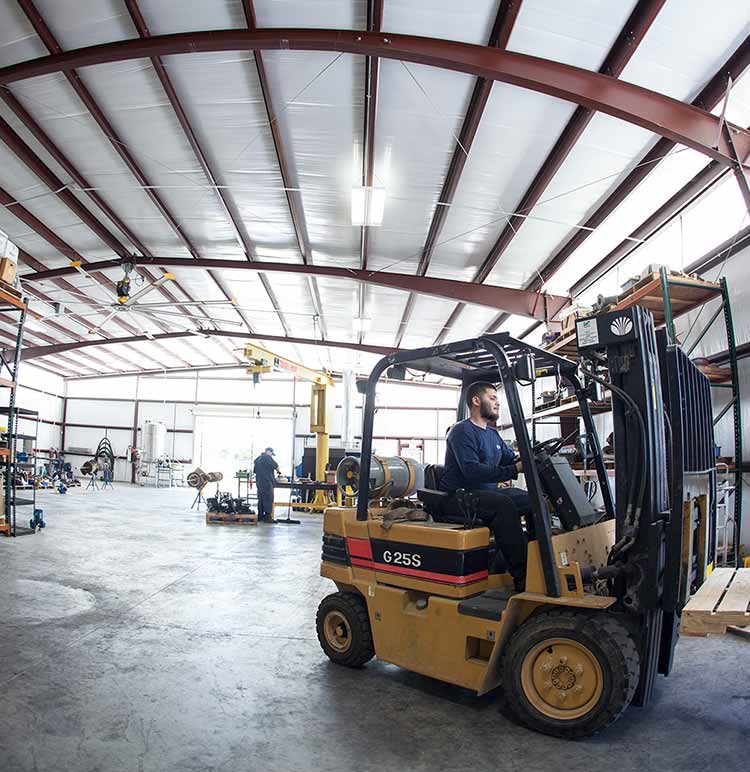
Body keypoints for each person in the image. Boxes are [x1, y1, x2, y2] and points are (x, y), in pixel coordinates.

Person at [439, 381, 534, 589]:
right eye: (492, 398)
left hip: (482, 494)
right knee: (503, 505)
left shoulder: (492, 434)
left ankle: (538, 562)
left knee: (533, 500)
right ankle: (523, 576)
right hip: (458, 497)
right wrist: (514, 469)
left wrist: (529, 458)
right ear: (476, 400)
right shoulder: (461, 431)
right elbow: (472, 471)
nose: (497, 403)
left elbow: (510, 459)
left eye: (497, 399)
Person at [253, 447, 280, 522]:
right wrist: (279, 472)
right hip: (267, 482)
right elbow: (276, 466)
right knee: (268, 499)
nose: (271, 455)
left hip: (259, 482)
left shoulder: (257, 459)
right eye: (271, 454)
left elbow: (255, 471)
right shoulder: (267, 457)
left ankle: (260, 516)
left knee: (261, 499)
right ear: (269, 452)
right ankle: (267, 517)